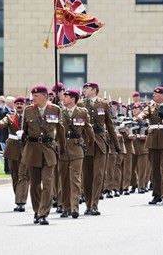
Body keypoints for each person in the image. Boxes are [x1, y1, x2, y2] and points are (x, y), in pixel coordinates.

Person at [21, 85, 66, 225]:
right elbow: (25, 130)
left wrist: (62, 147)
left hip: (48, 150)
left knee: (47, 183)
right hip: (32, 150)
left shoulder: (55, 109)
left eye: (36, 96)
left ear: (45, 96)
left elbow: (60, 131)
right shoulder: (28, 111)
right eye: (32, 96)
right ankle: (37, 210)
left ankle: (43, 213)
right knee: (34, 184)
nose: (33, 98)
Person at [81, 82, 120, 215]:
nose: (84, 90)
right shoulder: (80, 104)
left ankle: (94, 204)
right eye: (84, 88)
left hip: (100, 143)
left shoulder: (103, 104)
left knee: (98, 175)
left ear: (94, 90)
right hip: (86, 142)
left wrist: (116, 145)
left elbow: (109, 125)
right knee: (87, 176)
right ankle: (87, 203)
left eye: (87, 88)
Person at [137, 87, 163, 206]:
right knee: (154, 169)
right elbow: (143, 113)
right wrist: (140, 117)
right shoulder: (150, 107)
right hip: (153, 141)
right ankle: (157, 194)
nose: (154, 95)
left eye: (157, 93)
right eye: (154, 93)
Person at [58, 89, 95, 219]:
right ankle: (66, 207)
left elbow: (88, 128)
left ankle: (75, 207)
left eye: (66, 97)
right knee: (64, 179)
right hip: (62, 148)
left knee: (75, 178)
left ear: (73, 99)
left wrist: (91, 141)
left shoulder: (82, 112)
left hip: (76, 147)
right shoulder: (59, 112)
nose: (63, 98)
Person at [0, 96, 29, 212]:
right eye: (17, 103)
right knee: (15, 176)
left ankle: (21, 201)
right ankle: (18, 198)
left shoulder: (29, 117)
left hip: (26, 148)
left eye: (21, 103)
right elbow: (3, 122)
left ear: (25, 105)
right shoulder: (10, 117)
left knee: (23, 175)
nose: (19, 105)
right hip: (13, 149)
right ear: (14, 105)